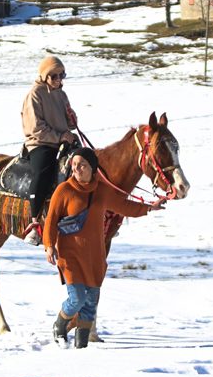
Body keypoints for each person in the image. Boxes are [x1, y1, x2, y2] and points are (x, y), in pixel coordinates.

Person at [43, 146, 163, 349]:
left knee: (90, 303)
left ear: (93, 168)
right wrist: (48, 246)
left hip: (95, 256)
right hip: (70, 255)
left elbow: (124, 206)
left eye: (82, 165)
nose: (76, 169)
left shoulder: (102, 191)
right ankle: (60, 324)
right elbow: (51, 220)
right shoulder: (64, 191)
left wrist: (149, 207)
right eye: (74, 165)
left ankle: (81, 346)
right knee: (77, 298)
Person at [21, 56, 79, 244]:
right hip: (41, 142)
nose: (58, 79)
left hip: (63, 141)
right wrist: (60, 136)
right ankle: (35, 222)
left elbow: (69, 124)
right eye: (54, 76)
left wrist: (72, 120)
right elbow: (35, 128)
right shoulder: (35, 94)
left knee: (87, 162)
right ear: (45, 76)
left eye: (61, 75)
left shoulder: (61, 95)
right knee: (43, 171)